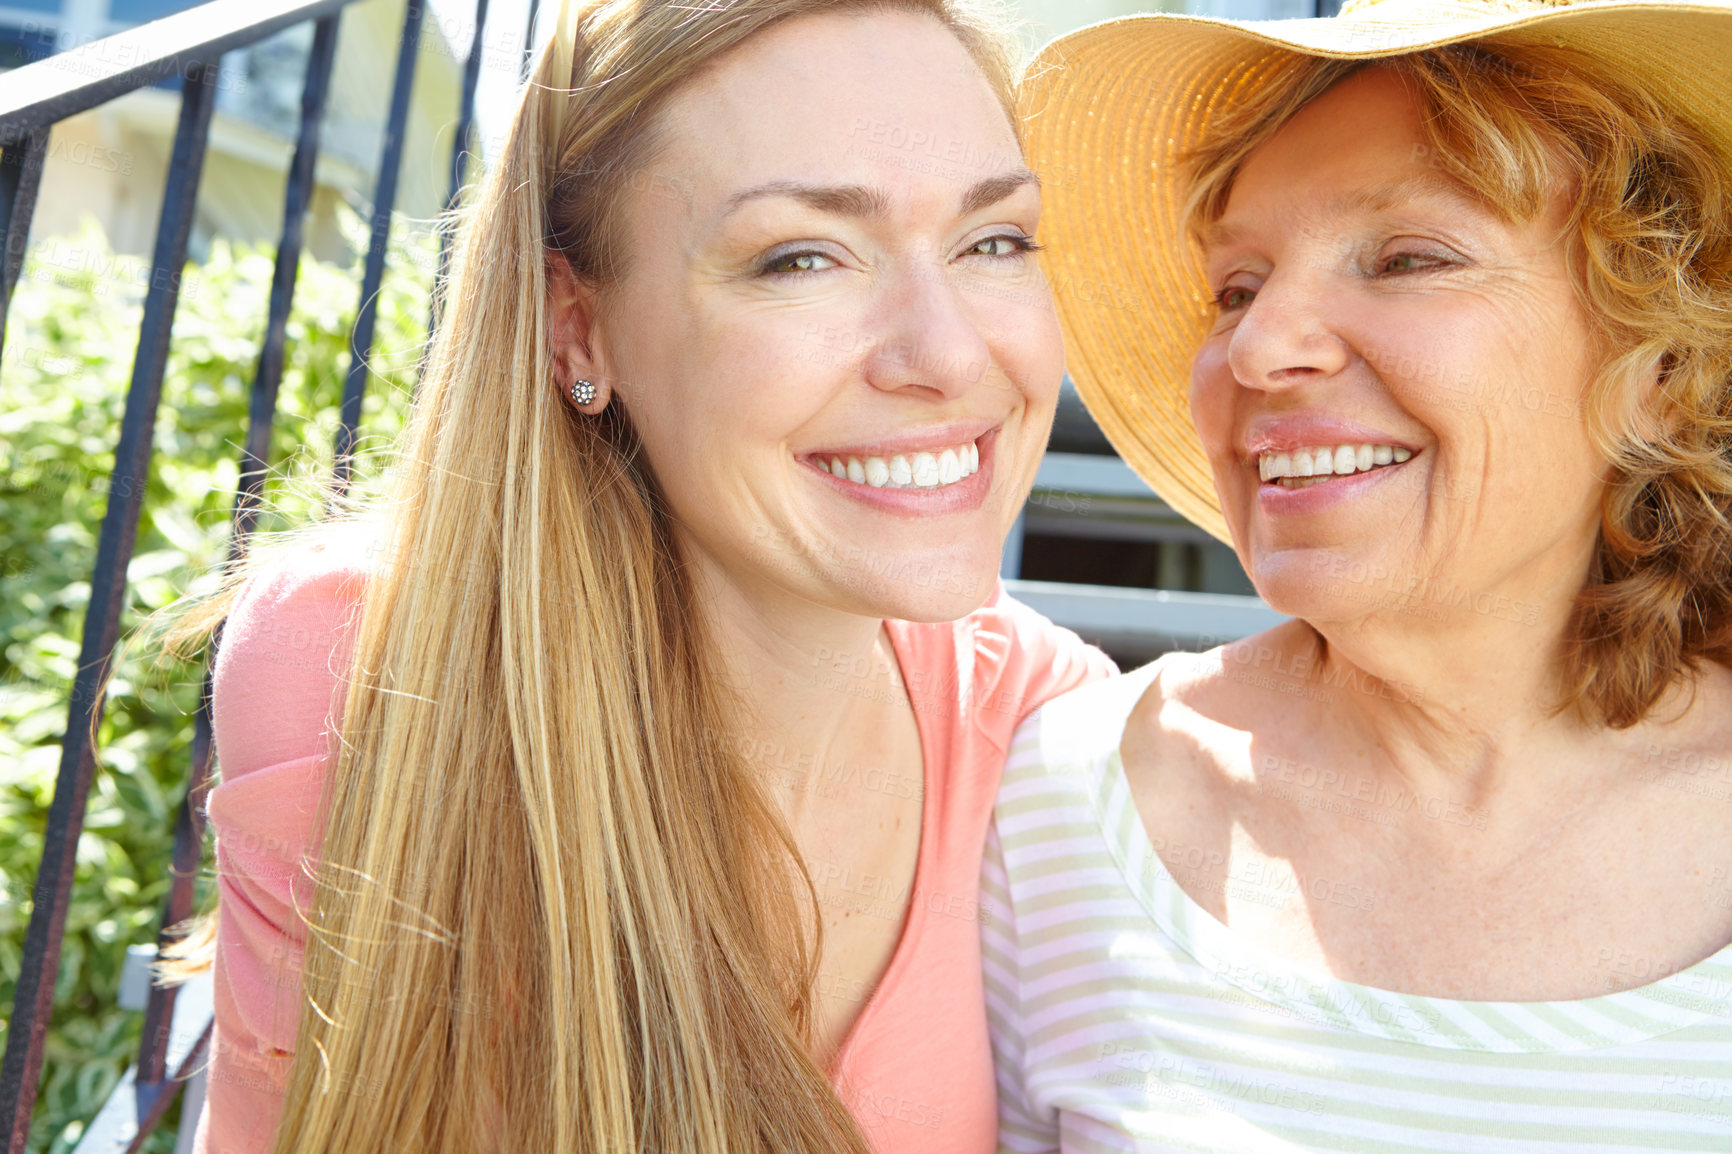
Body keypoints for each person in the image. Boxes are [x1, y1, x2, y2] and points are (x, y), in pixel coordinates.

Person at [153, 1, 1116, 1151]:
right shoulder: (358, 664)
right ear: (577, 330)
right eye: (800, 257)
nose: (951, 353)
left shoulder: (1049, 729)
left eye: (994, 239)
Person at [981, 0, 1732, 1147]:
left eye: (1406, 258)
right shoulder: (1060, 807)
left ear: (1659, 366)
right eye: (1235, 286)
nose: (1258, 345)